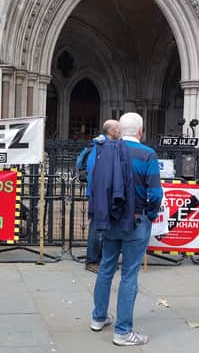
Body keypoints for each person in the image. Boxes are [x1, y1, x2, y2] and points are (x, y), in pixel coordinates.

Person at [90, 112, 162, 346]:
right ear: (140, 131)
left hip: (111, 218)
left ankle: (98, 317)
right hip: (135, 220)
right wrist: (149, 215)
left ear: (120, 130)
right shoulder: (147, 153)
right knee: (129, 275)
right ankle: (122, 332)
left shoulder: (106, 149)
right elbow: (155, 193)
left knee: (106, 268)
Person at [84, 119, 120, 273]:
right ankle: (92, 261)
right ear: (111, 131)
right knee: (97, 228)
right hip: (99, 193)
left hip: (105, 192)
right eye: (118, 130)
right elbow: (93, 171)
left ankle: (103, 259)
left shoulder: (110, 145)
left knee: (105, 227)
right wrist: (99, 192)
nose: (120, 132)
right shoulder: (99, 146)